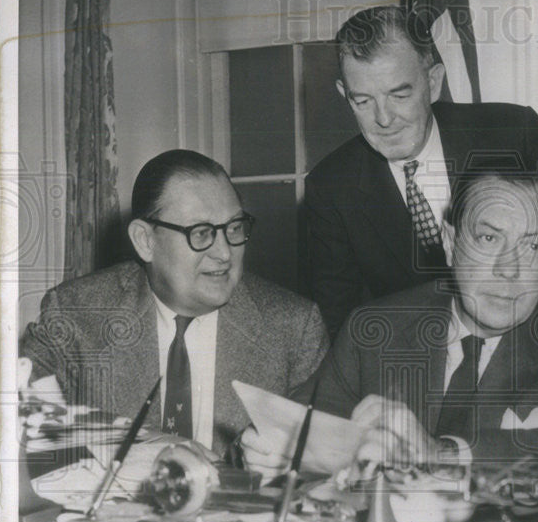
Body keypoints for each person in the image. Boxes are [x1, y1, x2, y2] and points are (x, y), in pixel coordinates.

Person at [302, 5, 538, 371]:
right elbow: (339, 317)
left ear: (434, 80)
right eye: (363, 101)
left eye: (400, 94)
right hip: (416, 377)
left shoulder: (510, 136)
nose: (384, 118)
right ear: (345, 93)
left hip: (536, 362)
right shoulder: (331, 187)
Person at [251, 174, 538, 491]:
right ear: (450, 244)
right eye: (488, 239)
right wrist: (275, 448)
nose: (509, 269)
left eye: (532, 246)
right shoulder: (376, 328)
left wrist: (442, 452)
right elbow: (305, 425)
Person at [21, 150, 329, 455]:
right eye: (201, 233)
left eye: (234, 228)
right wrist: (153, 449)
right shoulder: (76, 314)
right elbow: (21, 429)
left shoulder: (294, 328)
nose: (224, 253)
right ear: (145, 241)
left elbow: (323, 466)